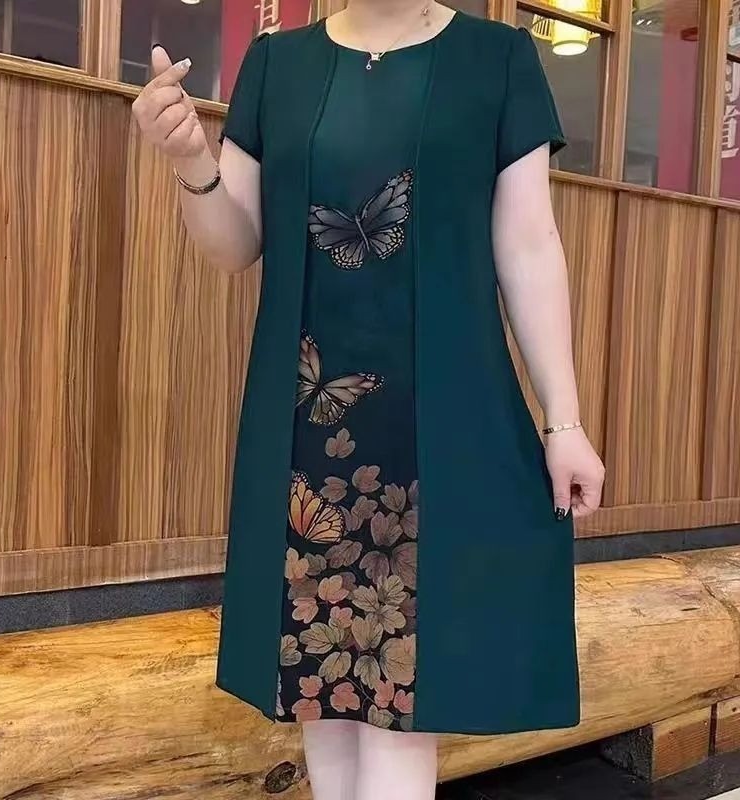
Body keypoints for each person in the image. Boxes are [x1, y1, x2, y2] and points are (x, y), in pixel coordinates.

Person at [132, 2, 605, 798]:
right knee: (321, 685)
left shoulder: (498, 60)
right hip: (308, 425)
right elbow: (232, 245)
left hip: (443, 419)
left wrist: (565, 421)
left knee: (403, 699)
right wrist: (190, 161)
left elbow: (528, 243)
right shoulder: (276, 65)